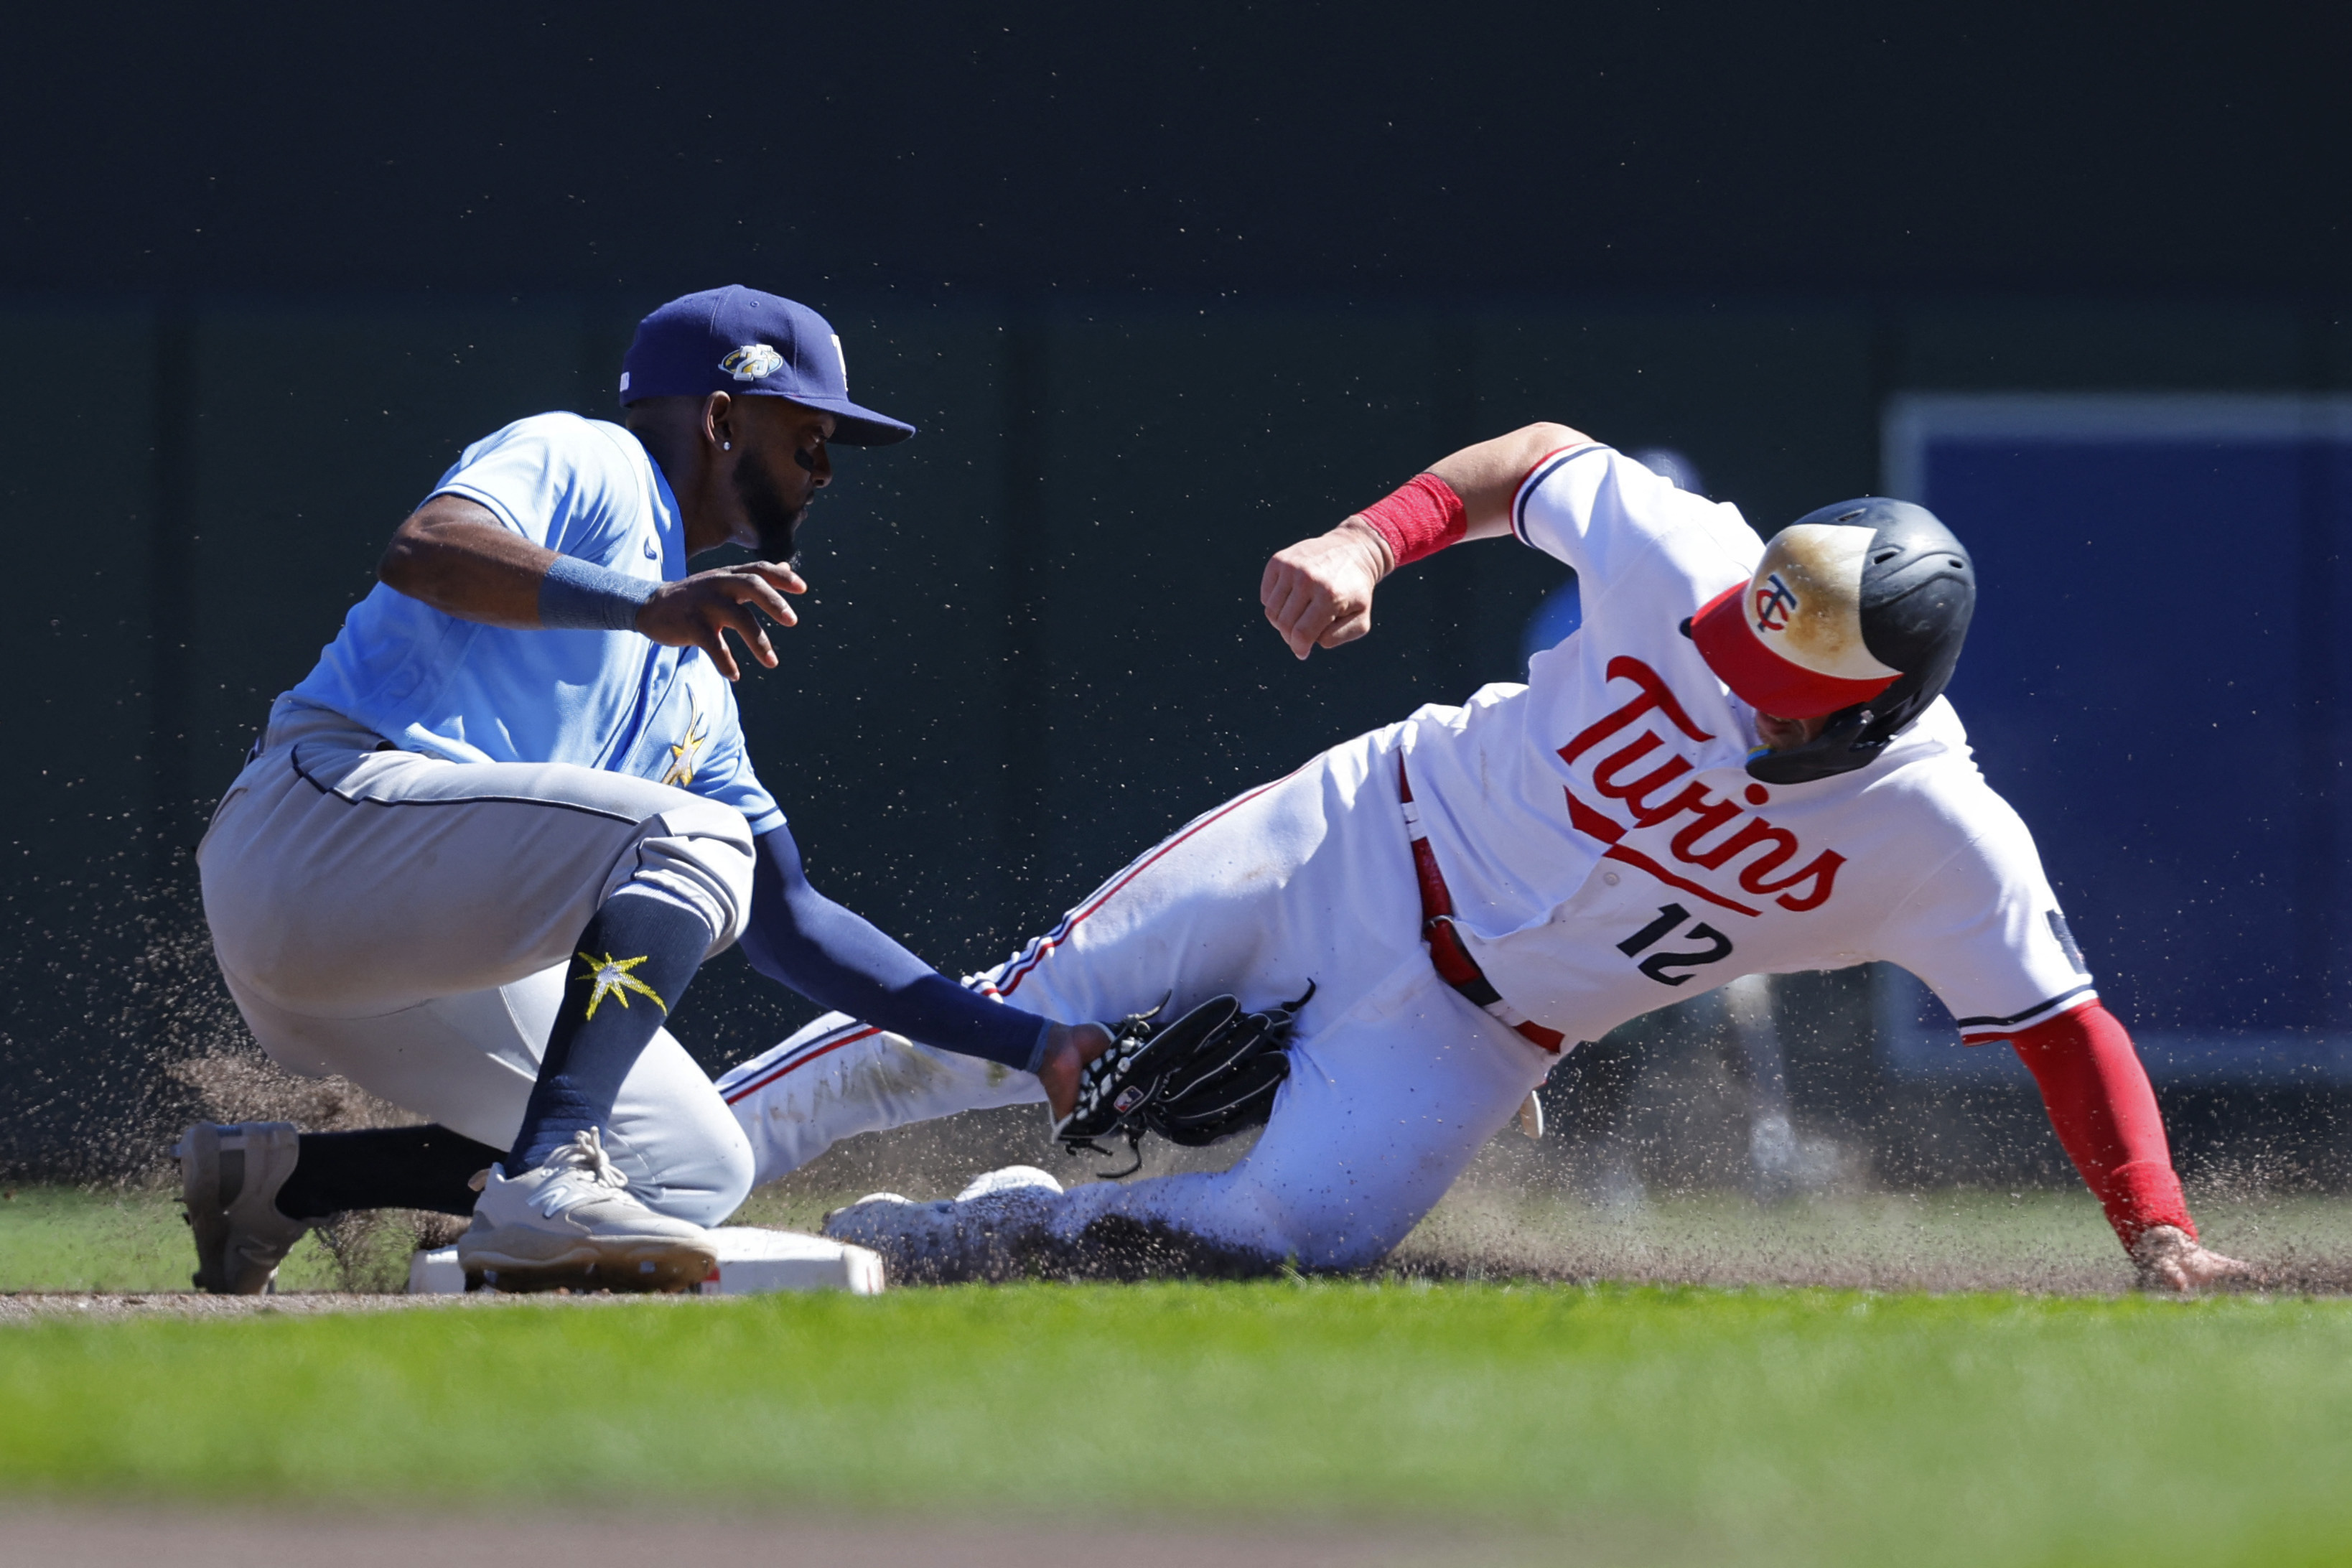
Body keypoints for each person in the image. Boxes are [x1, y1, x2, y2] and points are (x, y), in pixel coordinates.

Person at [724, 424, 2251, 1292]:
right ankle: (630, 1173)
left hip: (1477, 1034)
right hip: (1351, 839)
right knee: (998, 1025)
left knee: (1274, 1243)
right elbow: (1527, 465)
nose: (1738, 683)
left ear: (1889, 709)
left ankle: (973, 1236)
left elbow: (2066, 1027)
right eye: (1743, 647)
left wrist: (2160, 1229)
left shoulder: (1937, 834)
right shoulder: (1694, 562)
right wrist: (1365, 542)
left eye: (1788, 695)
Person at [179, 286, 1107, 1294]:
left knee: (694, 1167)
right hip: (314, 837)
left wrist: (1041, 1047)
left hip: (407, 959)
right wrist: (647, 604)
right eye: (808, 440)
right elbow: (427, 550)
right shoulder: (590, 460)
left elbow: (790, 920)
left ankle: (282, 1181)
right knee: (694, 836)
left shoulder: (696, 672)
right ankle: (542, 1180)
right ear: (721, 419)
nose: (826, 472)